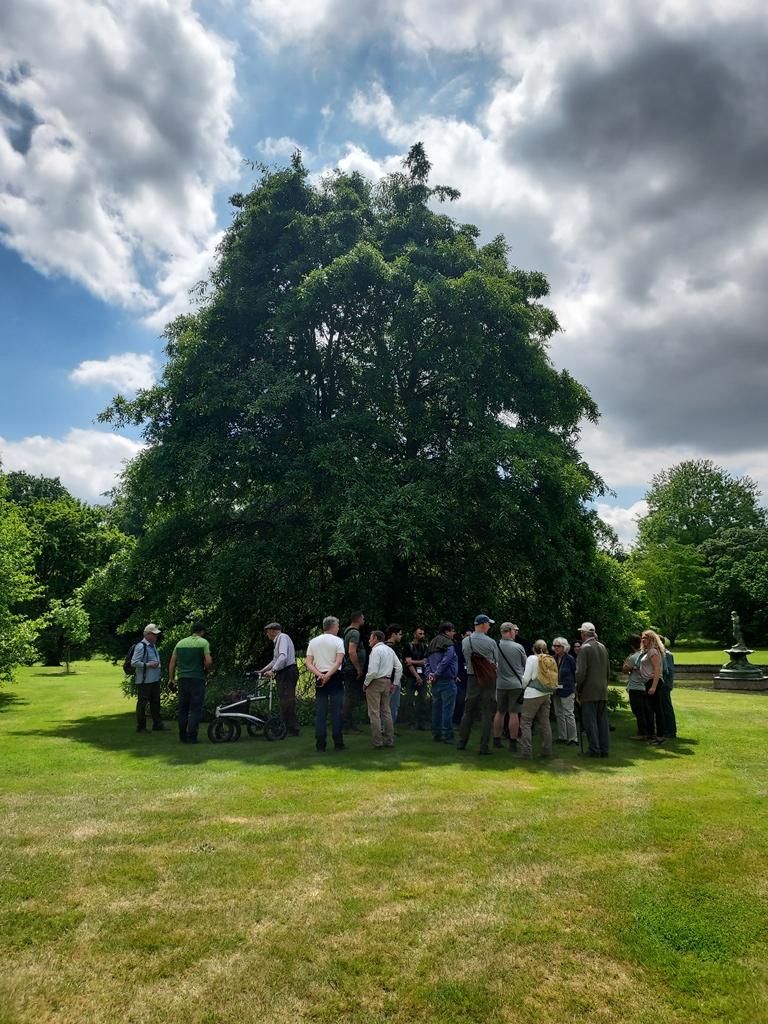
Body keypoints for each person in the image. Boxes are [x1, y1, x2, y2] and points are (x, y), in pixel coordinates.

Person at [458, 615, 499, 755]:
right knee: (487, 713)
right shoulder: (491, 642)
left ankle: (462, 743)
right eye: (488, 624)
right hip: (488, 679)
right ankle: (484, 746)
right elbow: (496, 661)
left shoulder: (465, 641)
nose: (489, 626)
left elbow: (466, 658)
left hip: (471, 678)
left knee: (468, 711)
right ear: (482, 624)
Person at [305, 616, 346, 752]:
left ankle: (320, 744)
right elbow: (339, 662)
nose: (338, 628)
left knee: (321, 712)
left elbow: (308, 663)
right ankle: (338, 743)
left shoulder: (313, 641)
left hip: (319, 676)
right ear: (333, 627)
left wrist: (320, 675)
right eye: (338, 626)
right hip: (334, 676)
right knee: (336, 711)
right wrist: (328, 675)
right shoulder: (338, 641)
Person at [168, 621, 213, 744]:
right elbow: (208, 662)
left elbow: (172, 662)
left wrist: (171, 678)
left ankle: (182, 736)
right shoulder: (203, 642)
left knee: (183, 708)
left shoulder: (180, 643)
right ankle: (192, 736)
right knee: (195, 708)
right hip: (197, 679)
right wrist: (207, 670)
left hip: (182, 679)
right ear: (202, 632)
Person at [575, 621, 610, 758]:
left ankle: (594, 749)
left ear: (584, 634)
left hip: (589, 690)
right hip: (602, 689)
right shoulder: (602, 647)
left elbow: (580, 672)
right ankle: (604, 749)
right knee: (602, 722)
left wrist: (577, 686)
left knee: (590, 722)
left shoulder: (585, 648)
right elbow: (607, 670)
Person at [363, 630, 402, 748]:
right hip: (387, 681)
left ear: (375, 638)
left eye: (370, 638)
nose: (369, 640)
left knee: (374, 712)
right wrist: (394, 683)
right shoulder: (390, 650)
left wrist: (366, 683)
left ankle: (377, 742)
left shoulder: (376, 650)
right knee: (387, 711)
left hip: (375, 682)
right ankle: (389, 740)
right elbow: (399, 667)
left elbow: (373, 671)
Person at [260, 622, 299, 736]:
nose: (267, 634)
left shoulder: (282, 637)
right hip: (285, 672)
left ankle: (289, 728)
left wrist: (273, 671)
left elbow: (283, 656)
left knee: (287, 700)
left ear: (272, 631)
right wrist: (262, 670)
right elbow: (275, 660)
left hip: (287, 672)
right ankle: (288, 727)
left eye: (267, 632)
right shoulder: (279, 641)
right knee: (285, 700)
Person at [519, 640, 556, 759]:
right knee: (545, 723)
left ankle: (526, 752)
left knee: (526, 722)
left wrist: (523, 687)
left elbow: (526, 678)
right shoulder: (550, 658)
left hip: (532, 694)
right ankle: (547, 751)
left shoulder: (531, 659)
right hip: (546, 694)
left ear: (534, 648)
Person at [494, 622, 526, 749]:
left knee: (500, 712)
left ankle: (496, 739)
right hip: (516, 685)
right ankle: (513, 742)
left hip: (500, 684)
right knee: (514, 713)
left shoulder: (495, 646)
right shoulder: (518, 647)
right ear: (511, 631)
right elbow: (525, 664)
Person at [426, 622, 458, 743]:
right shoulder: (448, 643)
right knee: (447, 710)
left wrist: (429, 674)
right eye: (452, 631)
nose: (454, 633)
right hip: (446, 680)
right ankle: (447, 735)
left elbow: (426, 661)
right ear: (446, 631)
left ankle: (436, 733)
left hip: (435, 682)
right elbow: (447, 660)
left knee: (436, 709)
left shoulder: (432, 642)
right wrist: (436, 673)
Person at [133, 623, 163, 733]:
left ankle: (157, 724)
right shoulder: (141, 646)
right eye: (154, 635)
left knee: (155, 703)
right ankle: (141, 727)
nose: (156, 637)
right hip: (144, 681)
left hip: (154, 680)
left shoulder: (153, 645)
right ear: (148, 634)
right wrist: (149, 665)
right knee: (142, 703)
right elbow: (134, 662)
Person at [638, 629, 666, 746]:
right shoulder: (648, 652)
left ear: (651, 639)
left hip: (653, 682)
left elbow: (657, 670)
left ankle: (659, 736)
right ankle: (653, 735)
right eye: (642, 638)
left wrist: (653, 686)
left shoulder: (653, 651)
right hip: (648, 682)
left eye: (645, 638)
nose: (643, 640)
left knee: (656, 709)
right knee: (650, 709)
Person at [622, 635, 652, 740]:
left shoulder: (634, 657)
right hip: (646, 686)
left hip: (635, 688)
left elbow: (624, 669)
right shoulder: (647, 655)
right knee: (646, 710)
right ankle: (649, 731)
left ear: (631, 645)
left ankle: (642, 733)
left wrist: (628, 664)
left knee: (638, 711)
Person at [341, 612, 366, 733]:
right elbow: (352, 651)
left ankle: (348, 724)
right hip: (351, 670)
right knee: (350, 697)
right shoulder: (354, 633)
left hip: (349, 668)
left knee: (350, 697)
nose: (364, 620)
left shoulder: (348, 631)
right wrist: (358, 668)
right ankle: (347, 726)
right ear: (359, 619)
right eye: (363, 618)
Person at [552, 637, 578, 745]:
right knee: (559, 714)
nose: (556, 648)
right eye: (555, 646)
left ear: (564, 647)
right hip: (556, 690)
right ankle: (562, 736)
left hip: (567, 690)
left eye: (559, 646)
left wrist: (575, 688)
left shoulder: (570, 659)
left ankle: (573, 738)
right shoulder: (553, 658)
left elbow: (575, 673)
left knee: (568, 713)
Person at [403, 626, 429, 729]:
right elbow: (408, 664)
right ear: (414, 634)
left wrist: (413, 661)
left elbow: (426, 661)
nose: (422, 636)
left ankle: (421, 722)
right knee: (410, 700)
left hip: (423, 676)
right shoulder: (408, 646)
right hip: (411, 676)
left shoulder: (425, 647)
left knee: (422, 700)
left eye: (423, 634)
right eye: (420, 634)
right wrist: (417, 676)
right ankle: (411, 723)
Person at [385, 624, 404, 730]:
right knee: (392, 705)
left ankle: (387, 728)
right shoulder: (392, 648)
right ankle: (387, 728)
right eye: (400, 634)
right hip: (392, 680)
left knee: (389, 705)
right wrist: (394, 682)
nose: (401, 636)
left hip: (388, 679)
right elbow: (397, 667)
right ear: (393, 634)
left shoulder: (383, 646)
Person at [660, 637, 677, 739]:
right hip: (664, 684)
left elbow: (668, 670)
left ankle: (671, 731)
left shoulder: (667, 654)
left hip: (665, 685)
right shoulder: (664, 654)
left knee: (666, 708)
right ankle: (666, 729)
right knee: (663, 707)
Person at [453, 629, 471, 725]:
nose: (469, 638)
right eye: (467, 635)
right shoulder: (457, 648)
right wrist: (455, 675)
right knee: (459, 700)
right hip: (459, 677)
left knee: (468, 701)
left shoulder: (472, 648)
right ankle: (456, 720)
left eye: (470, 636)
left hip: (469, 678)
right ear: (462, 636)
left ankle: (466, 721)